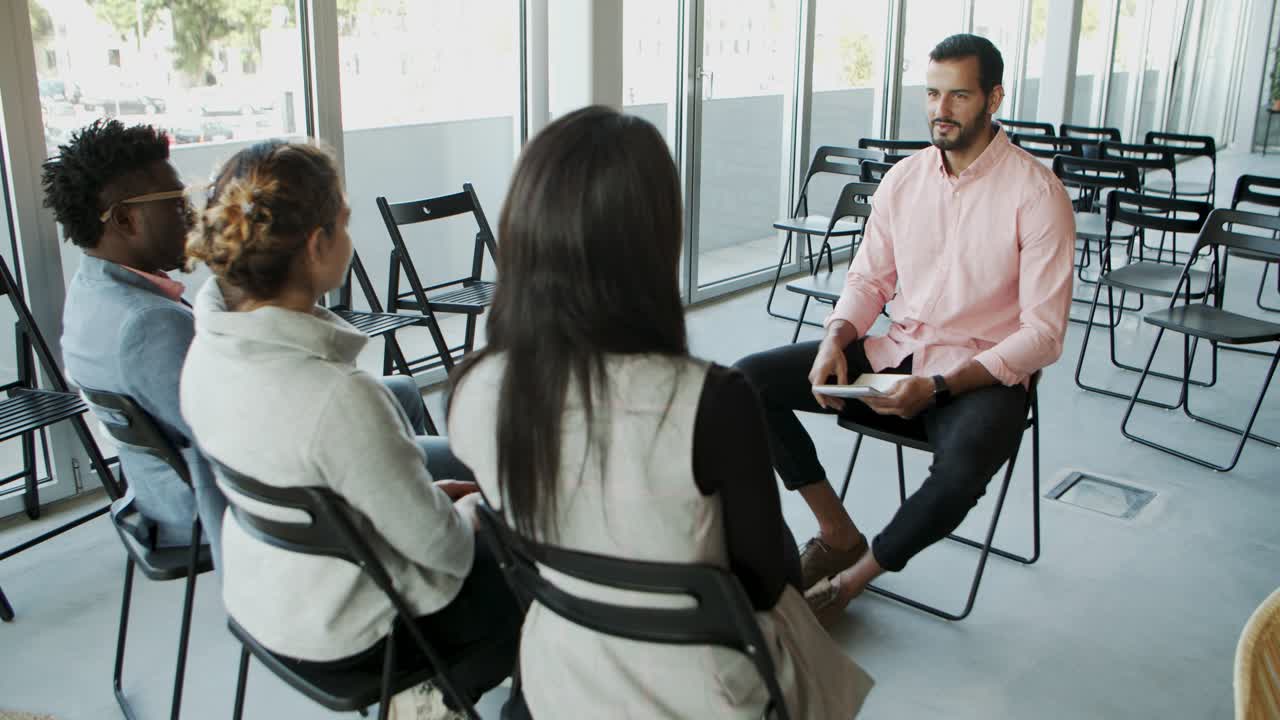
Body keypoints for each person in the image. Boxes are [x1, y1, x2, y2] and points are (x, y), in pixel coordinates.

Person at [448, 106, 873, 719]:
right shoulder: (711, 401)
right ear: (654, 240)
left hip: (556, 672)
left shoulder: (474, 388)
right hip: (699, 691)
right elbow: (763, 582)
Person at [736, 33, 1075, 624]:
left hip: (981, 376)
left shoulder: (1038, 195)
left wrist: (941, 388)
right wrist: (835, 339)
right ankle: (838, 533)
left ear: (994, 97)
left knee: (962, 470)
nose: (941, 110)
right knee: (744, 384)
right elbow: (869, 280)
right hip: (898, 352)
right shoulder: (903, 179)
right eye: (933, 94)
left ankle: (848, 585)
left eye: (959, 96)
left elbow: (1043, 334)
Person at [180, 140, 518, 718]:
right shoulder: (338, 399)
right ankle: (434, 693)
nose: (350, 237)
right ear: (318, 246)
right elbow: (445, 551)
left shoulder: (205, 356)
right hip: (351, 636)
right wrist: (461, 516)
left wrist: (424, 503)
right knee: (532, 568)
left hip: (265, 598)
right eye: (345, 223)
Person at [44, 119, 225, 566]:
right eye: (177, 202)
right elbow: (229, 437)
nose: (193, 216)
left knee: (387, 400)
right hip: (206, 506)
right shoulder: (150, 323)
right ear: (125, 218)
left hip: (157, 491)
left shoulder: (90, 290)